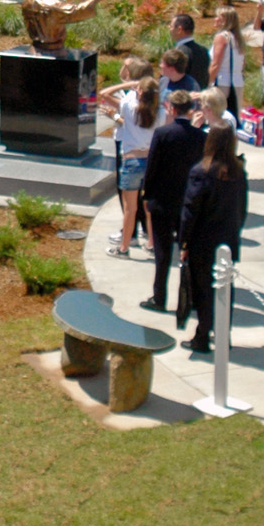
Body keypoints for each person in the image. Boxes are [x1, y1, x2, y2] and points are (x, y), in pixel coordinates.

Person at [176, 125, 248, 355]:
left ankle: (202, 337)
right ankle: (223, 335)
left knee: (204, 291)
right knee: (225, 289)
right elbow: (242, 208)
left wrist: (184, 242)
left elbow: (190, 211)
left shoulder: (201, 171)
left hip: (203, 242)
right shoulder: (238, 171)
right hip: (228, 239)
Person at [139, 91, 206, 314]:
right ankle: (192, 299)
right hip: (187, 203)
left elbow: (152, 167)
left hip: (162, 201)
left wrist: (146, 194)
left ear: (170, 108)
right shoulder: (200, 137)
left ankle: (159, 297)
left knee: (162, 252)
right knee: (188, 251)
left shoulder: (162, 133)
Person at [107, 71, 160, 257]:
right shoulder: (159, 111)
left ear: (139, 92)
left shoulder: (128, 106)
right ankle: (153, 244)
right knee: (149, 208)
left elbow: (104, 94)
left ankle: (124, 248)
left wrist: (126, 85)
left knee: (130, 209)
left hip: (132, 161)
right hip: (152, 162)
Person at [18, 0, 112, 54]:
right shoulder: (53, 5)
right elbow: (77, 12)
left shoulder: (27, 2)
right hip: (53, 52)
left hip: (34, 49)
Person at [210, 7, 247, 116]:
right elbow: (243, 63)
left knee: (217, 116)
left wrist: (207, 82)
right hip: (237, 82)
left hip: (222, 82)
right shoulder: (238, 39)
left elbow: (215, 64)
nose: (215, 19)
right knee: (233, 117)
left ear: (225, 20)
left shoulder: (221, 37)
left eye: (218, 17)